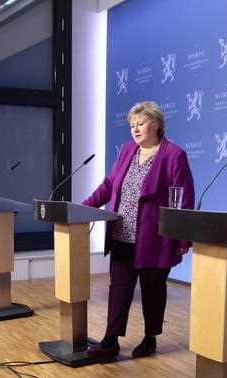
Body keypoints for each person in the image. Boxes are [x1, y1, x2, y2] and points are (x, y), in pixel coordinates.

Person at [82, 101, 194, 359]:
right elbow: (109, 185)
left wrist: (183, 239)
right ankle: (110, 341)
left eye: (140, 123)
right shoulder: (126, 151)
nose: (135, 129)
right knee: (118, 289)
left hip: (154, 238)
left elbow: (184, 197)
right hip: (121, 233)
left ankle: (150, 338)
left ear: (155, 123)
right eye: (132, 125)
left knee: (153, 290)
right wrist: (83, 208)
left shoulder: (173, 155)